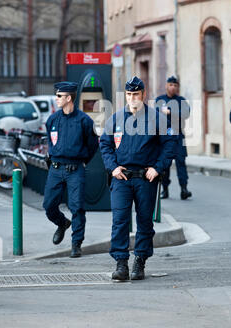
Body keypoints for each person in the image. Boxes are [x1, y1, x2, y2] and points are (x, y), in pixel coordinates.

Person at [99, 76, 175, 281]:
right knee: (120, 221)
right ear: (126, 95)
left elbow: (170, 146)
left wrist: (157, 168)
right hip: (121, 178)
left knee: (144, 222)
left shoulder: (157, 119)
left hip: (145, 179)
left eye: (136, 94)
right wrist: (112, 168)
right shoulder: (115, 119)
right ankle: (121, 263)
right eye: (129, 94)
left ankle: (139, 261)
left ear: (143, 95)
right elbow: (105, 145)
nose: (132, 98)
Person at [43, 81, 99, 257]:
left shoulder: (84, 121)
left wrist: (83, 162)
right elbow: (50, 142)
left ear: (69, 98)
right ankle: (62, 223)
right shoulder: (52, 119)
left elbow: (93, 145)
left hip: (75, 169)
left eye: (59, 96)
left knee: (77, 207)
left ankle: (76, 243)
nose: (56, 98)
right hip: (56, 168)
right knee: (48, 206)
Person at [155, 75, 192, 200]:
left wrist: (171, 112)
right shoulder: (160, 100)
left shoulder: (181, 100)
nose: (173, 87)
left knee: (181, 163)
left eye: (175, 85)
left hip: (178, 136)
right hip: (164, 137)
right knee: (165, 164)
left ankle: (184, 189)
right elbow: (155, 115)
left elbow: (186, 114)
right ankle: (165, 189)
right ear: (166, 86)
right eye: (171, 85)